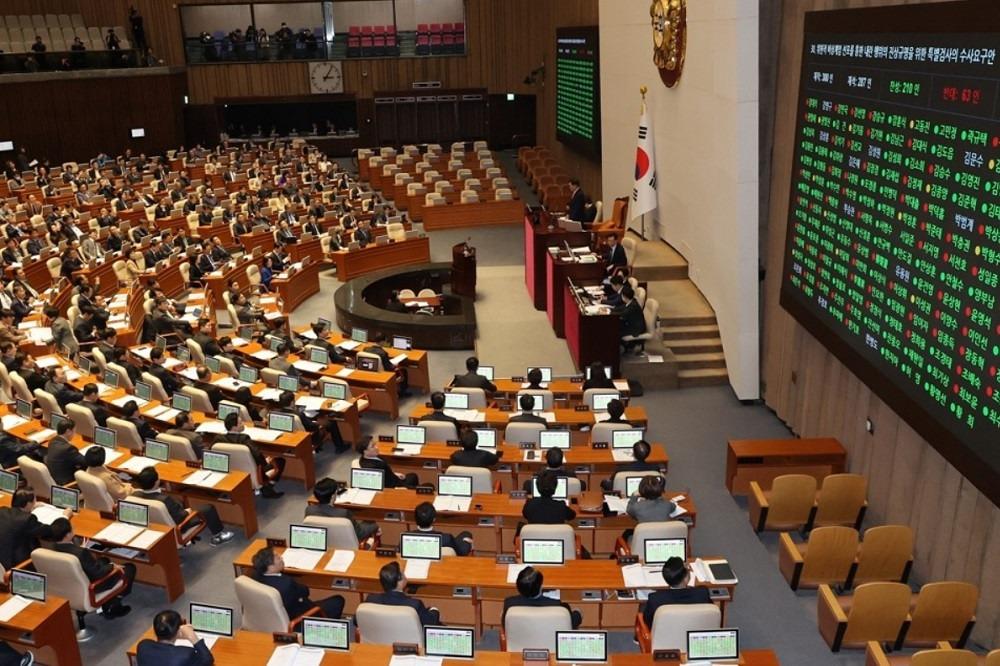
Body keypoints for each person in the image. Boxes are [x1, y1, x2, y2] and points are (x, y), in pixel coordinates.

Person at [48, 518, 134, 618]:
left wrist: (80, 549)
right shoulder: (80, 553)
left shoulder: (53, 547)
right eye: (72, 527)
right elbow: (98, 574)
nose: (73, 528)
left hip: (70, 583)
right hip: (92, 585)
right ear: (67, 535)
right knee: (130, 568)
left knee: (104, 560)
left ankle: (110, 601)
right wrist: (113, 566)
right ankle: (113, 605)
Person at [131, 467, 236, 546]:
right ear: (156, 482)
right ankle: (218, 537)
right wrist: (189, 511)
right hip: (180, 526)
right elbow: (182, 517)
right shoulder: (165, 500)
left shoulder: (135, 495)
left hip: (157, 527)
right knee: (208, 508)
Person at [251, 546, 345, 625]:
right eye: (278, 558)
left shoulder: (254, 576)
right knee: (338, 600)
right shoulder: (286, 584)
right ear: (270, 567)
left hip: (271, 617)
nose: (281, 557)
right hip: (299, 617)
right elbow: (305, 591)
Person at [215, 413, 284, 497]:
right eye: (240, 423)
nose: (243, 424)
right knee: (280, 461)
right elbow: (257, 455)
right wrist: (266, 462)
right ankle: (268, 487)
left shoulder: (218, 439)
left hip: (232, 473)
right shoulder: (244, 439)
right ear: (234, 427)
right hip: (253, 474)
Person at [503, 566, 582, 629]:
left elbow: (505, 624)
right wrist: (577, 613)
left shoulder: (509, 603)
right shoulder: (557, 606)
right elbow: (570, 623)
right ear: (540, 587)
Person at [642, 556, 711, 628]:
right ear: (686, 578)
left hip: (667, 634)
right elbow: (710, 615)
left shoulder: (655, 599)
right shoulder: (702, 594)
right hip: (694, 632)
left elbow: (648, 622)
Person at [366, 561, 441, 626]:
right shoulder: (415, 605)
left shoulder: (370, 600)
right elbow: (431, 622)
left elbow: (360, 621)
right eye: (403, 573)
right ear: (400, 582)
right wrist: (434, 609)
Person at [0, 490, 61, 569]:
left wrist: (29, 509)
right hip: (17, 565)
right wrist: (65, 516)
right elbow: (49, 531)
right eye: (34, 501)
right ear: (28, 504)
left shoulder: (2, 511)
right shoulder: (28, 519)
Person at [305, 478, 378, 542]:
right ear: (333, 496)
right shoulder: (344, 513)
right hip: (347, 545)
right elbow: (359, 534)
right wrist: (375, 525)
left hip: (325, 544)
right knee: (370, 523)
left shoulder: (309, 510)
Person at [136, 609, 214, 665]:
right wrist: (192, 637)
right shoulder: (185, 654)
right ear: (179, 632)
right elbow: (208, 660)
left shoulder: (143, 645)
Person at [45, 420, 86, 485]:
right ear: (68, 431)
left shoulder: (52, 441)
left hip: (55, 477)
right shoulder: (68, 448)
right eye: (74, 431)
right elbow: (85, 462)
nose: (74, 434)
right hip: (66, 482)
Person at [617, 286, 645, 351]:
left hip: (636, 329)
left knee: (614, 330)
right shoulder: (632, 301)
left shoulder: (632, 307)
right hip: (633, 325)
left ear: (624, 297)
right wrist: (610, 310)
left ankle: (621, 349)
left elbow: (622, 314)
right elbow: (621, 308)